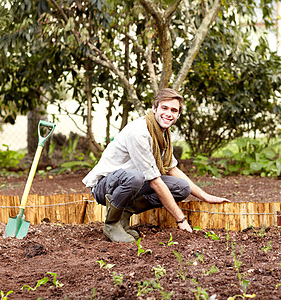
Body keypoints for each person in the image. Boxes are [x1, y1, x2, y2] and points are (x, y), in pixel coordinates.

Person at [82, 88, 230, 243]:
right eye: (164, 108)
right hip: (104, 186)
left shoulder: (162, 134)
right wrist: (181, 220)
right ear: (154, 108)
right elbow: (154, 181)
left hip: (129, 182)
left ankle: (123, 215)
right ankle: (112, 224)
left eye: (174, 110)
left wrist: (205, 196)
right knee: (136, 177)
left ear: (178, 115)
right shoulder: (139, 132)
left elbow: (171, 168)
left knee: (181, 188)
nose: (168, 114)